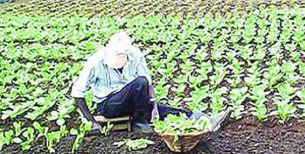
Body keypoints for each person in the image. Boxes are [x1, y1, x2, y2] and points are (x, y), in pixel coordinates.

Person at [71, 31, 230, 132]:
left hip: (134, 103)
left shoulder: (135, 55)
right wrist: (91, 121)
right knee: (138, 83)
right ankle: (140, 124)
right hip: (109, 105)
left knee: (163, 110)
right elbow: (78, 93)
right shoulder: (96, 61)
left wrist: (153, 108)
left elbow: (148, 84)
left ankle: (206, 120)